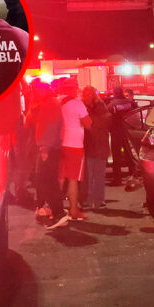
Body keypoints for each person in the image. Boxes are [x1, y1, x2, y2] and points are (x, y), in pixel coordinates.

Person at [30, 82, 66, 227]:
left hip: (48, 149)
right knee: (46, 181)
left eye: (34, 90)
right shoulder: (49, 103)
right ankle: (56, 211)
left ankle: (58, 213)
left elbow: (49, 126)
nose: (33, 93)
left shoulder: (50, 105)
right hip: (49, 148)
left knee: (47, 181)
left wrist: (44, 148)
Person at [58, 79, 92, 222]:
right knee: (73, 179)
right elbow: (88, 124)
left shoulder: (58, 102)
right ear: (73, 89)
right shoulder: (77, 104)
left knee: (60, 178)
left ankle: (55, 207)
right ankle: (73, 210)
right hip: (75, 145)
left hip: (60, 144)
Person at [81, 86, 111, 209]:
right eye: (85, 94)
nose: (88, 97)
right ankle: (89, 199)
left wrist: (90, 123)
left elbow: (103, 123)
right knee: (88, 176)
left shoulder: (101, 107)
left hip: (100, 145)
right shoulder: (82, 107)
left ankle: (98, 199)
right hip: (88, 145)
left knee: (99, 175)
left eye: (90, 94)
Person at [107, 86, 137, 186]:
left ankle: (117, 179)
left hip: (116, 132)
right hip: (128, 131)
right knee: (129, 155)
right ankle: (133, 176)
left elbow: (108, 118)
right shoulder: (130, 103)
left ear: (114, 93)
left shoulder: (112, 105)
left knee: (117, 157)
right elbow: (135, 115)